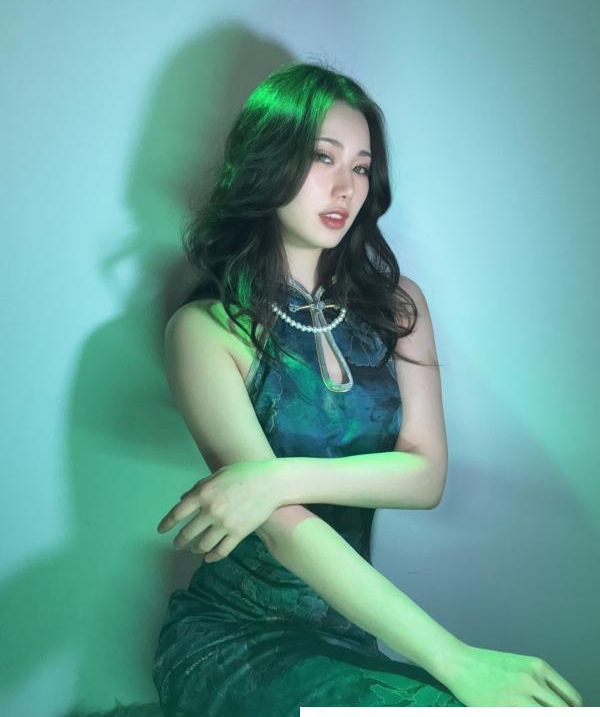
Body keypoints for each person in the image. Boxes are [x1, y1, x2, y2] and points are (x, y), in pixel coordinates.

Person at [151, 61, 583, 715]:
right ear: (269, 160)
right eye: (322, 157)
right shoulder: (207, 330)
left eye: (361, 167)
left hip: (347, 632)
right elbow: (283, 530)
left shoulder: (398, 306)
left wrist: (274, 477)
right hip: (232, 640)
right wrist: (455, 658)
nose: (345, 187)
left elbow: (425, 476)